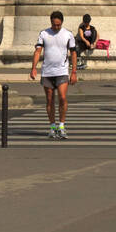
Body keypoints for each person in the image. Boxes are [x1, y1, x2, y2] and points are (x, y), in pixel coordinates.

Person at [31, 10, 77, 138]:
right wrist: (34, 68)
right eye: (54, 24)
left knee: (62, 98)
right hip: (47, 71)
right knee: (50, 100)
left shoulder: (68, 34)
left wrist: (74, 72)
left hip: (62, 71)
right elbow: (37, 51)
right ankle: (52, 127)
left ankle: (61, 126)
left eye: (58, 25)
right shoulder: (44, 33)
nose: (56, 27)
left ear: (62, 22)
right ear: (51, 22)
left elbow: (73, 53)